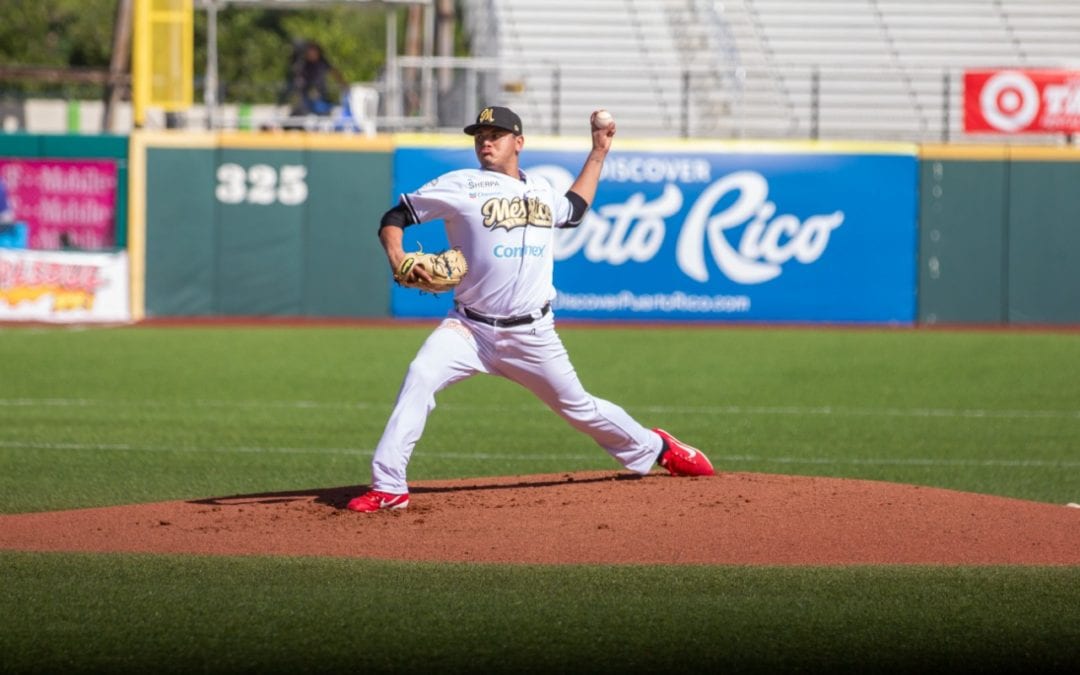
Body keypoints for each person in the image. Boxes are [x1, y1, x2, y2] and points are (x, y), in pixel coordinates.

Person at [347, 106, 715, 513]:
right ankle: (389, 485)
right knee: (420, 376)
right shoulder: (460, 184)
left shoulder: (539, 190)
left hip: (532, 333)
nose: (486, 141)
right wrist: (397, 256)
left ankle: (657, 446)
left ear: (518, 142)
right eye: (480, 135)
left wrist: (598, 153)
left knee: (580, 408)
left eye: (496, 134)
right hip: (468, 330)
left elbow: (574, 210)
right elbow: (395, 215)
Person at [282, 40, 347, 117]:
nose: (312, 54)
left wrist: (343, 84)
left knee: (322, 108)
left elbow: (334, 72)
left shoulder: (323, 61)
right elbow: (297, 77)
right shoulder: (303, 63)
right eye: (310, 52)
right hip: (304, 92)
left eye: (314, 52)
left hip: (319, 92)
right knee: (303, 108)